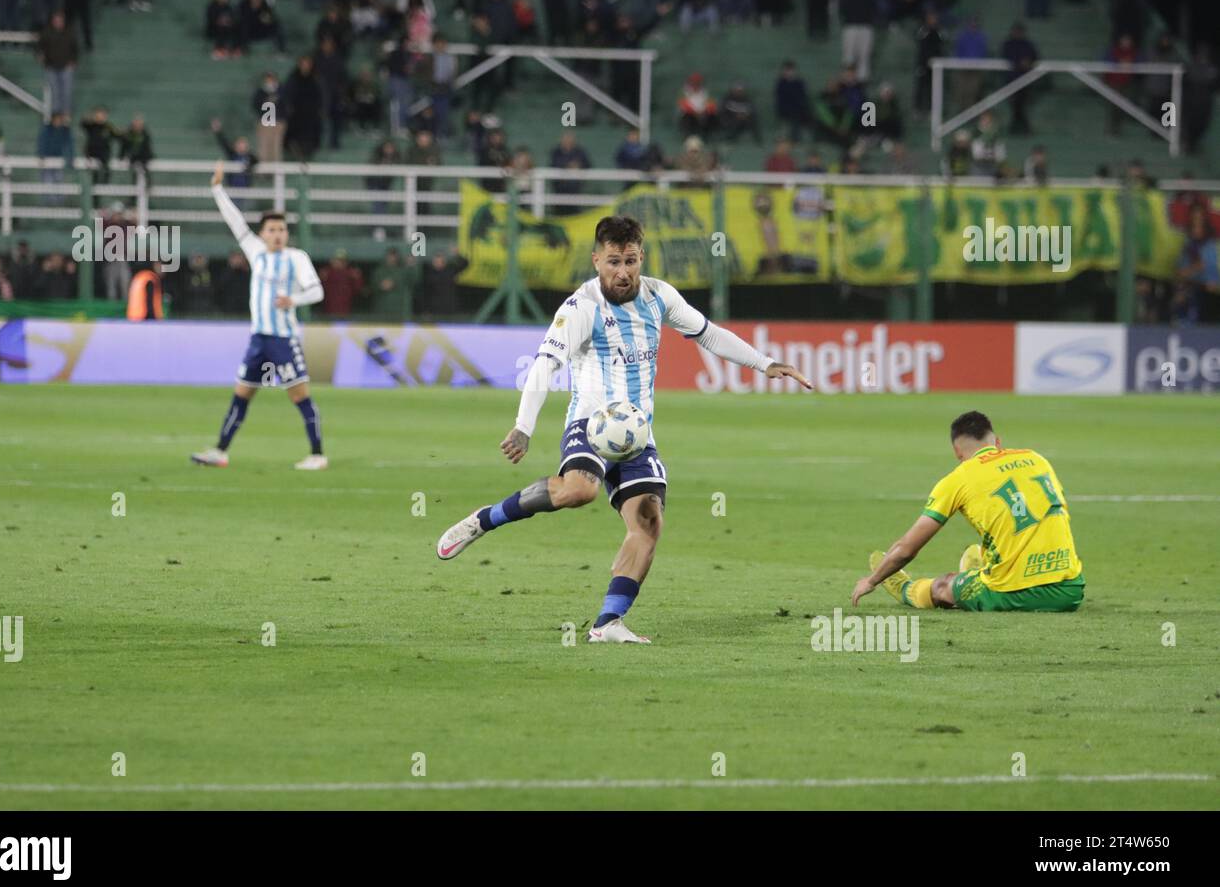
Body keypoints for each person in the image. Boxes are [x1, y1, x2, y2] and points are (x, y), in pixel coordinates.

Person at [435, 216, 813, 643]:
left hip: (637, 433)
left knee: (649, 520)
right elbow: (546, 364)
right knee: (579, 490)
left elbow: (707, 334)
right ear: (597, 260)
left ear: (641, 257)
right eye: (613, 261)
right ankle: (483, 520)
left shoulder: (658, 295)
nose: (623, 271)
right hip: (591, 423)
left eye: (630, 260)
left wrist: (766, 363)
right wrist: (524, 426)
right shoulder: (581, 307)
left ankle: (607, 624)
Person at [853, 411, 1085, 613]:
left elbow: (907, 549)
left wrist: (872, 580)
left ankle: (903, 588)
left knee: (944, 585)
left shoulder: (959, 478)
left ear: (957, 451)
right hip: (1069, 590)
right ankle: (984, 569)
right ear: (997, 442)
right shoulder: (1037, 459)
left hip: (1014, 592)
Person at [191, 162, 327, 471]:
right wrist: (217, 190)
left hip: (283, 339)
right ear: (263, 234)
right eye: (272, 229)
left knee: (299, 395)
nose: (277, 234)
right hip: (258, 340)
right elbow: (235, 220)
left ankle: (318, 454)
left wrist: (293, 299)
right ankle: (220, 451)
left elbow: (317, 292)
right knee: (242, 394)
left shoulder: (297, 258)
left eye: (281, 229)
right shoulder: (255, 251)